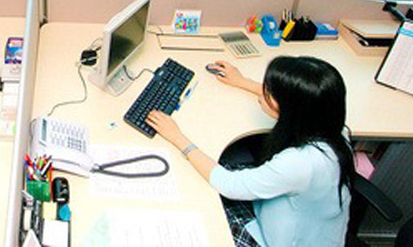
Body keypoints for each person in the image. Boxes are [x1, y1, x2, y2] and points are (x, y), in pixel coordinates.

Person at [147, 56, 354, 247]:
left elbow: (229, 185)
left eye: (269, 92)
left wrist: (177, 137)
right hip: (300, 224)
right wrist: (242, 81)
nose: (262, 93)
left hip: (276, 240)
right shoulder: (334, 130)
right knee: (219, 166)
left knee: (197, 198)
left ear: (291, 108)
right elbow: (301, 102)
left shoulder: (301, 163)